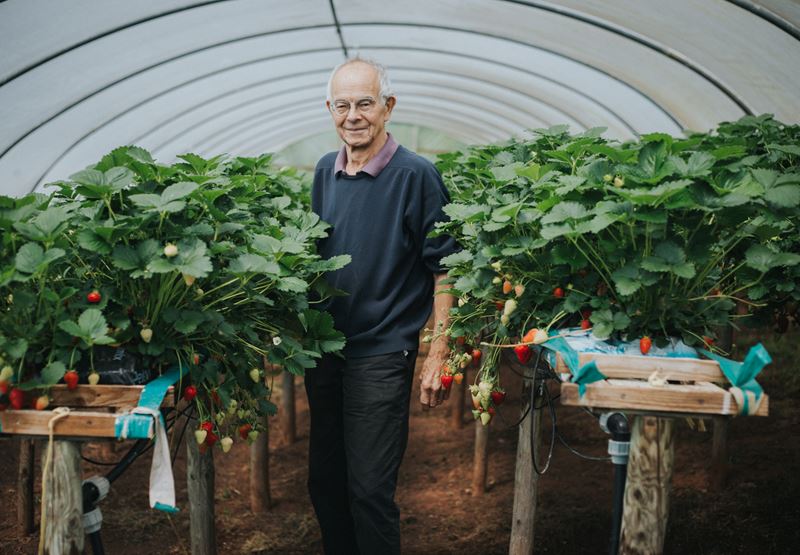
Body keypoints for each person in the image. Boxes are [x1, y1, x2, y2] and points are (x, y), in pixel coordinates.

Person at [306, 57, 459, 554]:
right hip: (326, 350)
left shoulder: (416, 175)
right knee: (325, 483)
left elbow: (446, 266)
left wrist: (438, 351)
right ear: (330, 109)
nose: (354, 115)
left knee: (369, 491)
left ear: (388, 108)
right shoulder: (323, 173)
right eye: (343, 105)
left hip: (382, 353)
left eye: (365, 104)